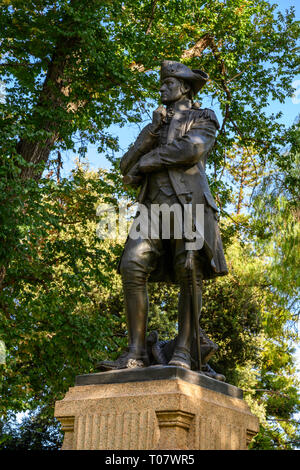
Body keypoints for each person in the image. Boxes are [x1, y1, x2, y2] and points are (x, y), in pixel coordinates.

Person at [97, 60, 228, 372]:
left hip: (189, 205)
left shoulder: (203, 117)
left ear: (183, 87)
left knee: (189, 269)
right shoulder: (154, 125)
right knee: (132, 264)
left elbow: (190, 150)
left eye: (168, 84)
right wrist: (152, 133)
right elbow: (127, 167)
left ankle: (183, 350)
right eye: (161, 83)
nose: (162, 89)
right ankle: (135, 352)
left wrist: (151, 160)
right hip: (153, 208)